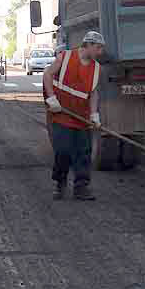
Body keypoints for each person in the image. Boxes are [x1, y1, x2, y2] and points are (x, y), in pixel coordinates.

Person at [43, 30, 104, 201]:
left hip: (82, 118)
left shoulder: (96, 68)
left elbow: (93, 92)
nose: (100, 52)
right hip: (62, 114)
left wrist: (94, 114)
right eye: (98, 48)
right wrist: (51, 98)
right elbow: (48, 74)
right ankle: (60, 183)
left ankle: (81, 187)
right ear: (88, 45)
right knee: (63, 151)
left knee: (83, 153)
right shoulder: (65, 57)